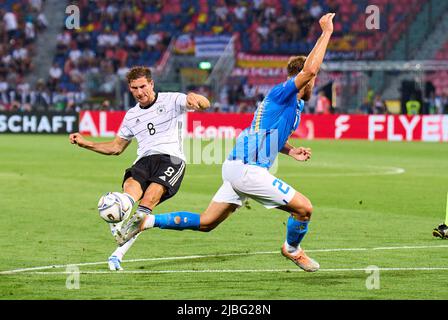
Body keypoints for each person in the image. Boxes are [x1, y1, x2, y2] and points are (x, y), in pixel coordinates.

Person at [116, 13, 336, 272]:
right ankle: (292, 249)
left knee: (207, 222)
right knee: (304, 209)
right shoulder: (282, 93)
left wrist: (290, 150)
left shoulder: (294, 106)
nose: (315, 81)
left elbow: (265, 134)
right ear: (303, 79)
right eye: (313, 78)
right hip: (248, 169)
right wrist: (326, 33)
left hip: (237, 167)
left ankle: (146, 222)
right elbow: (310, 68)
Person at [69, 66, 210, 270]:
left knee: (146, 205)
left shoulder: (172, 100)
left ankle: (117, 254)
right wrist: (87, 144)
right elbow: (116, 148)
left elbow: (204, 104)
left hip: (171, 160)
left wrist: (195, 96)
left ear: (151, 84)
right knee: (126, 200)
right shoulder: (131, 115)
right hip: (143, 162)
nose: (139, 92)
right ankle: (116, 221)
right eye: (134, 88)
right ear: (130, 88)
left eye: (143, 86)